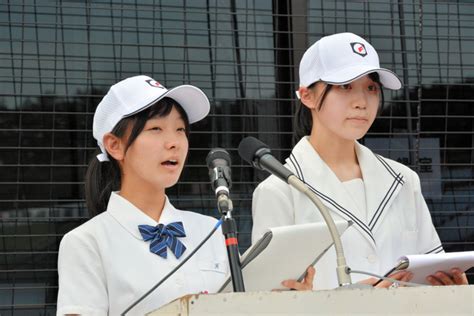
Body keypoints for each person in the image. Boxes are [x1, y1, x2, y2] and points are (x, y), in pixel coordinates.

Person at [251, 32, 468, 289]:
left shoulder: (404, 180)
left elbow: (431, 272)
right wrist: (356, 298)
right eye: (345, 86)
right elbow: (267, 300)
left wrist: (450, 289)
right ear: (307, 95)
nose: (362, 102)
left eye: (371, 88)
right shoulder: (279, 191)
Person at [56, 75, 230, 315]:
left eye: (180, 129)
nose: (174, 143)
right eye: (156, 128)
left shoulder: (214, 231)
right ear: (114, 145)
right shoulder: (87, 243)